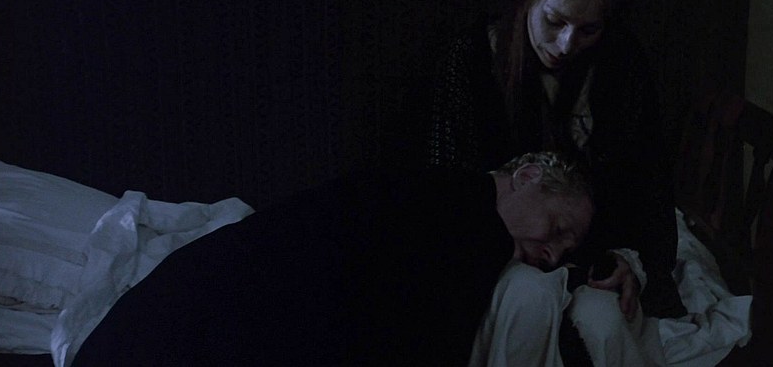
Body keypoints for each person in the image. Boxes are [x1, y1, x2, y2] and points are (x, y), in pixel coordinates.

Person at [427, 0, 686, 363]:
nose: (567, 45)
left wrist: (630, 261)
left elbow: (647, 185)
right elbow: (450, 191)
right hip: (502, 254)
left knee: (606, 321)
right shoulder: (471, 60)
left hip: (593, 250)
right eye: (555, 21)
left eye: (588, 30)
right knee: (529, 301)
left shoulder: (622, 66)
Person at [71, 152, 592, 366]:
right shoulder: (457, 211)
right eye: (557, 229)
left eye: (564, 253)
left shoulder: (456, 213)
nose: (551, 255)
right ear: (526, 177)